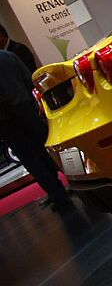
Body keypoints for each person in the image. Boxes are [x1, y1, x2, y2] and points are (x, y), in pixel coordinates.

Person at [0, 50, 72, 211]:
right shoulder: (7, 56)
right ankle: (76, 181)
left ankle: (57, 194)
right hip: (26, 110)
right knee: (48, 147)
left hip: (5, 121)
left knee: (30, 158)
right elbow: (29, 79)